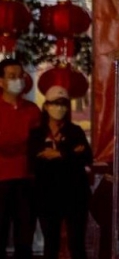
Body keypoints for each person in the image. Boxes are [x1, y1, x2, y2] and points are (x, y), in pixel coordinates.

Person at [28, 85, 92, 259]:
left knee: (77, 243)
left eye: (63, 104)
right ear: (46, 106)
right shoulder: (37, 134)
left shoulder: (75, 131)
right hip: (47, 195)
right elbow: (34, 161)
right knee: (51, 243)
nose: (59, 108)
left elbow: (86, 157)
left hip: (75, 195)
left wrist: (59, 154)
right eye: (55, 103)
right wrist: (71, 154)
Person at [0, 58, 40, 259]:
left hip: (26, 180)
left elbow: (37, 144)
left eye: (20, 76)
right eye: (12, 76)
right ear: (1, 81)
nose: (18, 80)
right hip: (1, 179)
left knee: (24, 236)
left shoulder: (32, 110)